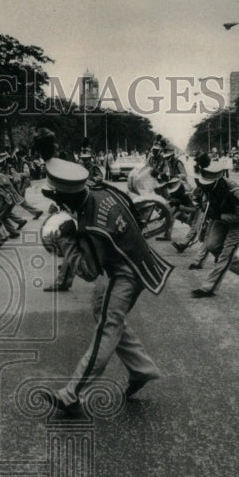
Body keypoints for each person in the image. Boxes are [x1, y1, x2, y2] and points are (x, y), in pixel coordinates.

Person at [38, 159, 174, 416]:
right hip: (135, 257)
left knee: (106, 328)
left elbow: (89, 272)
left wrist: (67, 242)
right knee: (105, 313)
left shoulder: (92, 225)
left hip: (126, 272)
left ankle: (70, 394)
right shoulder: (102, 189)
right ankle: (141, 368)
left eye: (55, 197)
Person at [190, 158, 239, 298]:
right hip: (220, 217)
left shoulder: (233, 190)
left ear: (218, 180)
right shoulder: (206, 186)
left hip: (237, 220)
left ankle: (208, 288)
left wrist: (221, 216)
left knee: (226, 254)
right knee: (211, 245)